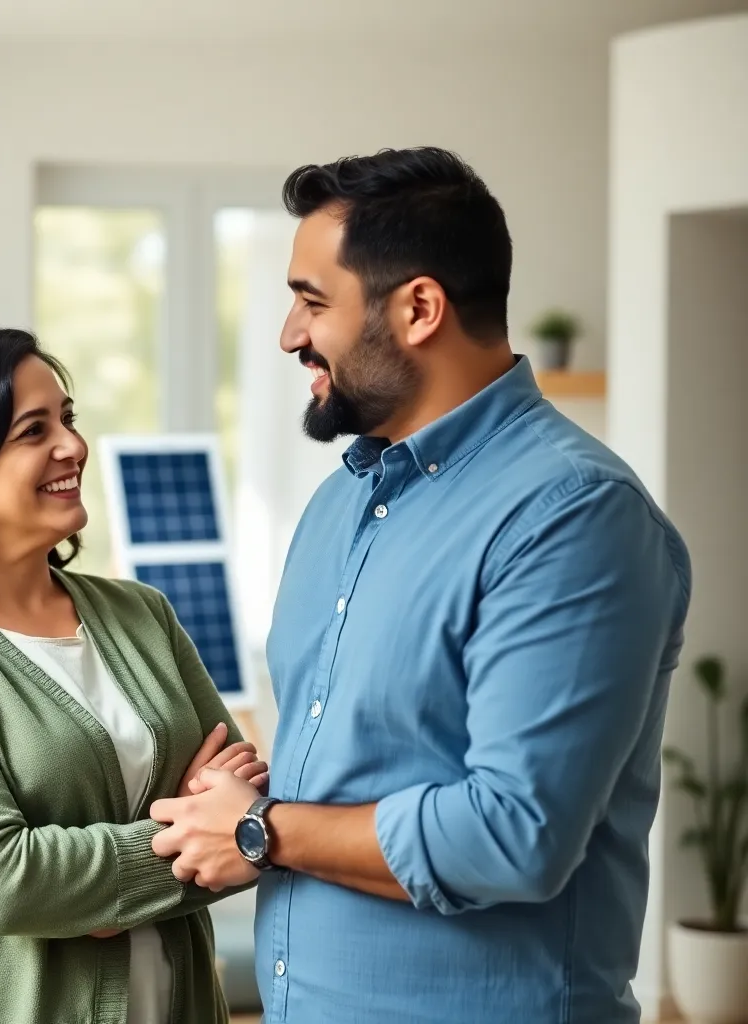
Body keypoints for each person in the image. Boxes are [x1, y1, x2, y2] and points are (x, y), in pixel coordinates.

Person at [149, 147, 692, 1023]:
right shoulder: (340, 504)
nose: (289, 334)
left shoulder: (574, 515)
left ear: (419, 308)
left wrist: (263, 828)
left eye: (312, 301)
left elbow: (515, 835)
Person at [0, 329, 267, 1024]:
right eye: (32, 431)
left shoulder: (141, 614)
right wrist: (192, 843)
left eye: (66, 418)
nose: (72, 445)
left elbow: (247, 805)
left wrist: (93, 894)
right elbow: (1, 882)